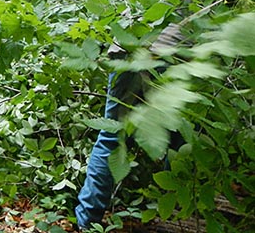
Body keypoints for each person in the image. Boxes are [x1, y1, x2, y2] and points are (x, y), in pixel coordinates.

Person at [75, 23, 184, 231]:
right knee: (178, 137)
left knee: (113, 136)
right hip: (172, 54)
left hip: (127, 47)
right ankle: (177, 211)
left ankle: (87, 222)